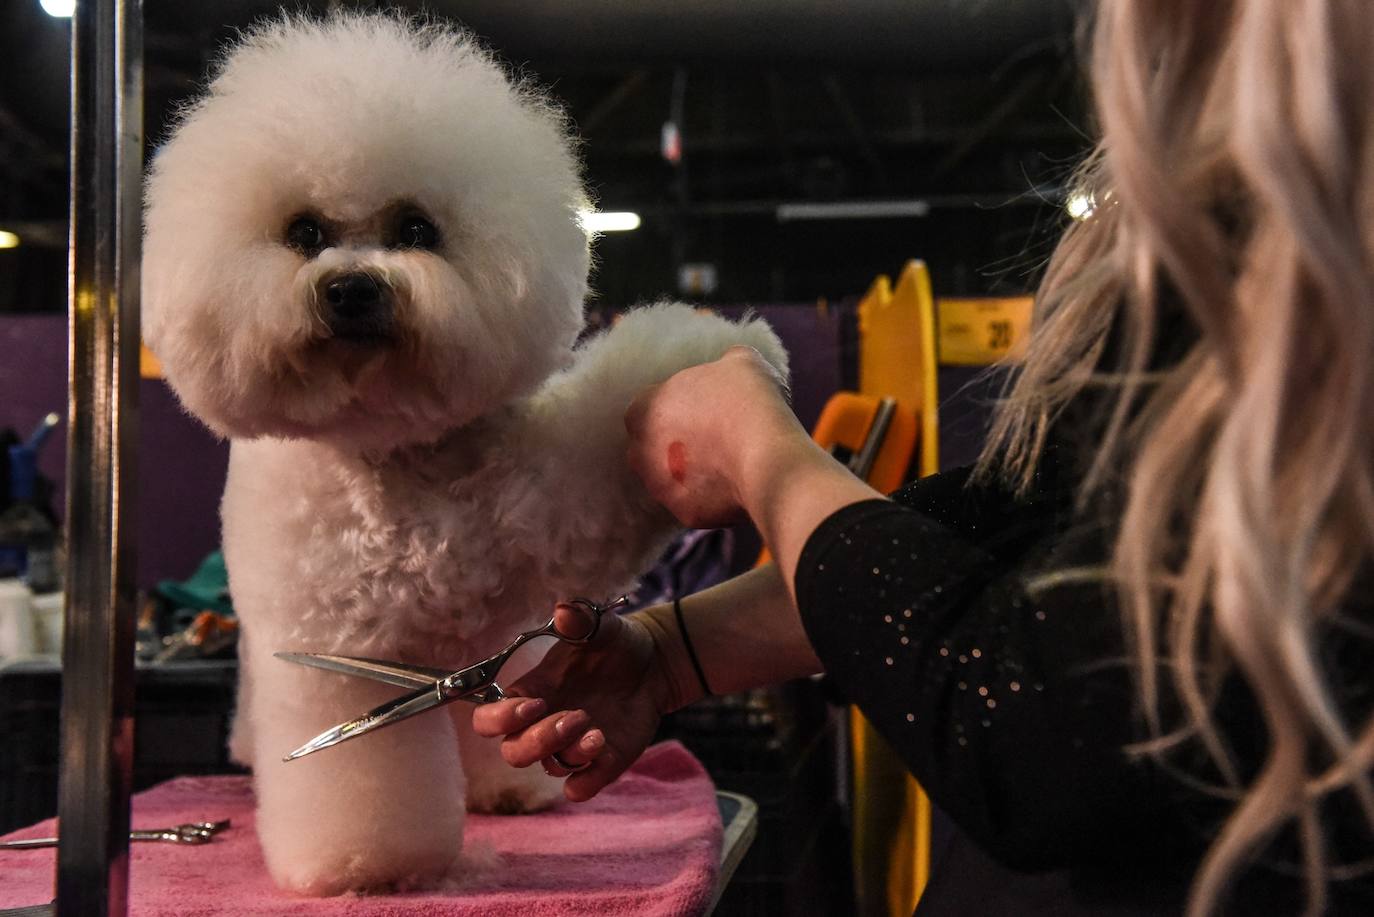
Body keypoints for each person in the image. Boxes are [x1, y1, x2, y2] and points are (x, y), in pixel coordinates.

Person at [473, 1, 1374, 913]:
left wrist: (765, 455)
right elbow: (1029, 523)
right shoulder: (1237, 242)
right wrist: (677, 652)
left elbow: (1039, 725)